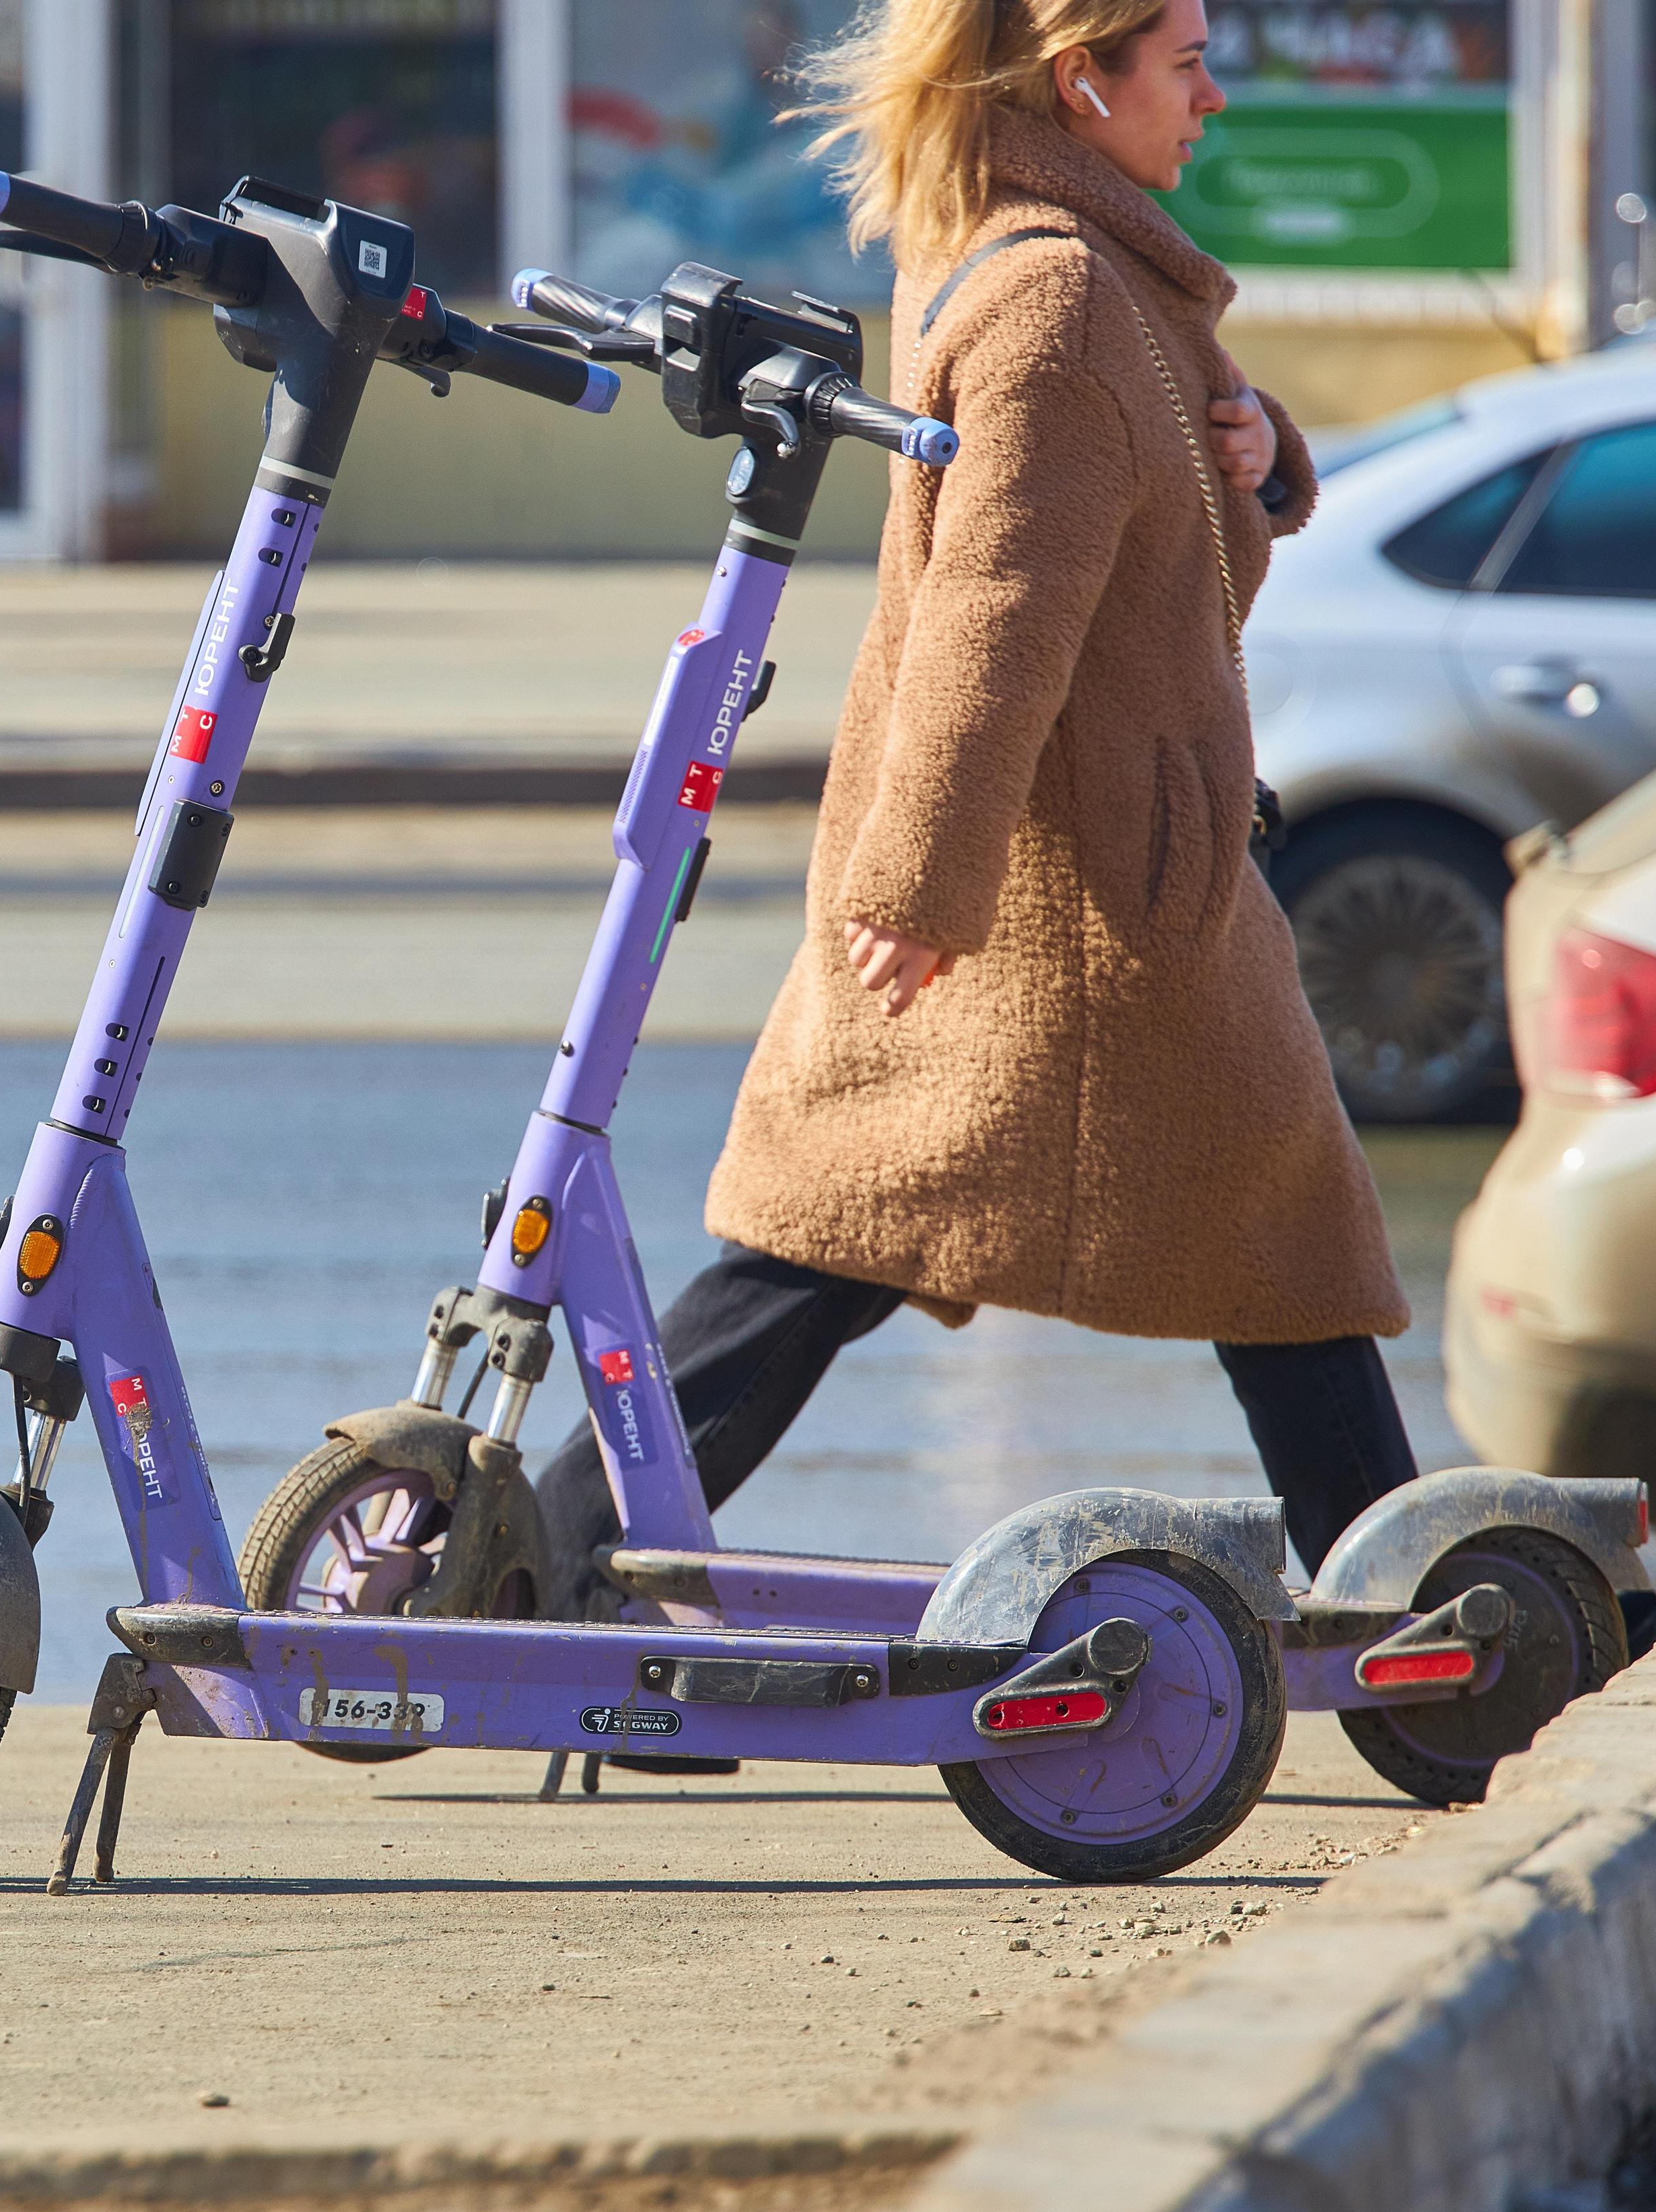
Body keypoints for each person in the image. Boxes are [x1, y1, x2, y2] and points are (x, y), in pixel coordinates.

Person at [537, 0, 1442, 1593]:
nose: (1213, 99)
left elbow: (1143, 489)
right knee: (1246, 1249)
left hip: (1101, 861)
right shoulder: (1059, 297)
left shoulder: (1077, 265)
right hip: (1090, 892)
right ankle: (1441, 1630)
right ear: (1082, 82)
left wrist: (1259, 453)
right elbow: (999, 610)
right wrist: (923, 883)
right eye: (1186, 65)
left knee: (863, 1238)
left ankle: (526, 1559)